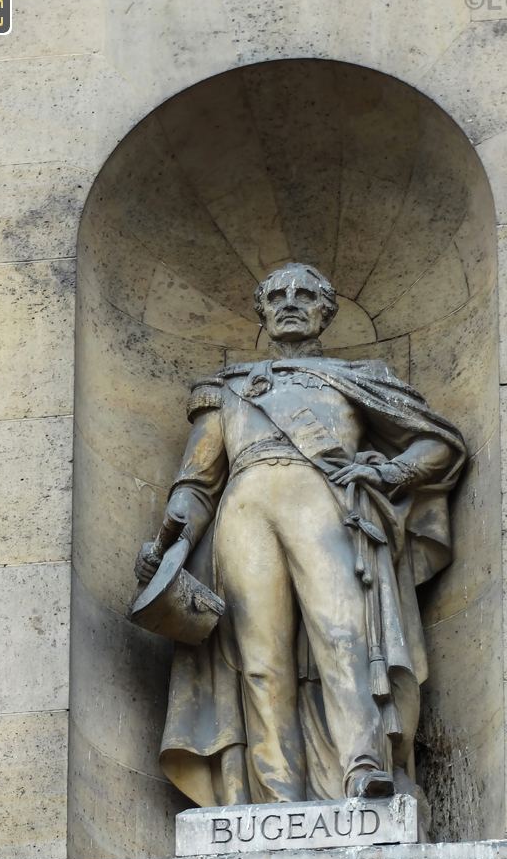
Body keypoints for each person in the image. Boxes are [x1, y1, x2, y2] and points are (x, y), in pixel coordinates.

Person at [134, 262, 466, 808]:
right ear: (262, 310)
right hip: (243, 511)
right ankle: (278, 796)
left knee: (344, 636)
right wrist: (171, 539)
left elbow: (438, 445)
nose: (291, 301)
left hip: (323, 500)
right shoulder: (229, 389)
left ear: (325, 311)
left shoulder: (361, 378)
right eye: (278, 295)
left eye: (305, 294)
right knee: (259, 659)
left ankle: (362, 767)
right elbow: (196, 484)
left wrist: (384, 472)